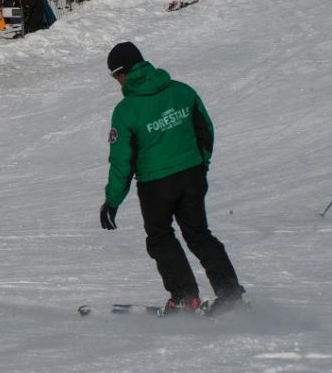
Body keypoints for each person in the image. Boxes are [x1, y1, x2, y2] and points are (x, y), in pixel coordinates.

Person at [99, 42, 246, 317]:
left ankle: (185, 298)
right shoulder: (181, 90)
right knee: (199, 235)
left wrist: (112, 200)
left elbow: (122, 160)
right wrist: (201, 163)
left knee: (161, 237)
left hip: (156, 185)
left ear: (123, 72)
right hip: (191, 175)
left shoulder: (126, 110)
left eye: (115, 75)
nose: (116, 82)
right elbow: (205, 129)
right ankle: (230, 294)